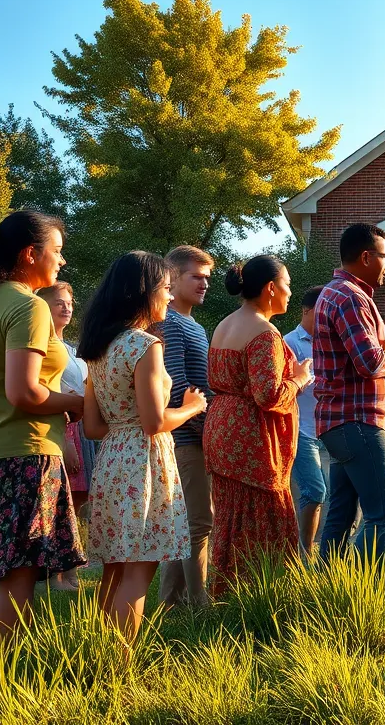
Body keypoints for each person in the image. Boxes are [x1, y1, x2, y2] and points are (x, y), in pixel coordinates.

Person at [0, 212, 85, 650]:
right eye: (57, 251)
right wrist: (75, 403)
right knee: (18, 573)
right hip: (20, 455)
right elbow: (24, 392)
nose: (61, 261)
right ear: (31, 254)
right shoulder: (28, 306)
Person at [79, 251, 206, 642]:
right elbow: (153, 422)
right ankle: (120, 663)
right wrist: (191, 407)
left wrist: (124, 427)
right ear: (144, 292)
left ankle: (101, 653)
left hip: (112, 459)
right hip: (145, 462)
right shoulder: (144, 345)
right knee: (138, 571)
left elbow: (92, 427)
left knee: (115, 569)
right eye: (165, 288)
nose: (170, 296)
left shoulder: (98, 347)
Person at [314, 224, 385, 564]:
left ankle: (330, 585)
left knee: (341, 515)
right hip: (358, 420)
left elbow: (368, 358)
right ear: (366, 257)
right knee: (383, 513)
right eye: (384, 257)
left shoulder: (338, 293)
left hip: (341, 422)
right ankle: (367, 586)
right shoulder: (350, 297)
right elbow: (371, 363)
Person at [204, 255, 311, 593]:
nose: (290, 291)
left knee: (231, 520)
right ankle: (264, 598)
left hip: (221, 428)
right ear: (270, 288)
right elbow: (268, 395)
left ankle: (225, 594)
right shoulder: (264, 332)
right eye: (287, 284)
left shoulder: (225, 324)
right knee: (263, 520)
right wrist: (299, 379)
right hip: (251, 439)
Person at [157, 245, 215, 609]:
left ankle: (171, 603)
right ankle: (199, 605)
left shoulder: (194, 324)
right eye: (196, 276)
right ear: (173, 278)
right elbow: (177, 386)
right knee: (198, 523)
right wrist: (207, 430)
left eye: (207, 277)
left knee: (189, 523)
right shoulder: (170, 321)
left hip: (197, 435)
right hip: (185, 437)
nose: (204, 283)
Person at [38, 281, 94, 591]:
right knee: (60, 499)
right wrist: (67, 442)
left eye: (69, 302)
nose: (66, 307)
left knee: (79, 500)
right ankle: (54, 575)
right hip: (61, 429)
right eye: (58, 302)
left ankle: (71, 571)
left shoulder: (72, 349)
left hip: (81, 428)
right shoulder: (42, 346)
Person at [283, 286, 329, 555]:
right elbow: (283, 387)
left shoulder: (331, 341)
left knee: (339, 494)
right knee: (314, 491)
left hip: (330, 428)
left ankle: (332, 553)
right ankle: (303, 553)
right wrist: (303, 379)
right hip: (301, 430)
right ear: (306, 311)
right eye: (321, 312)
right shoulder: (289, 342)